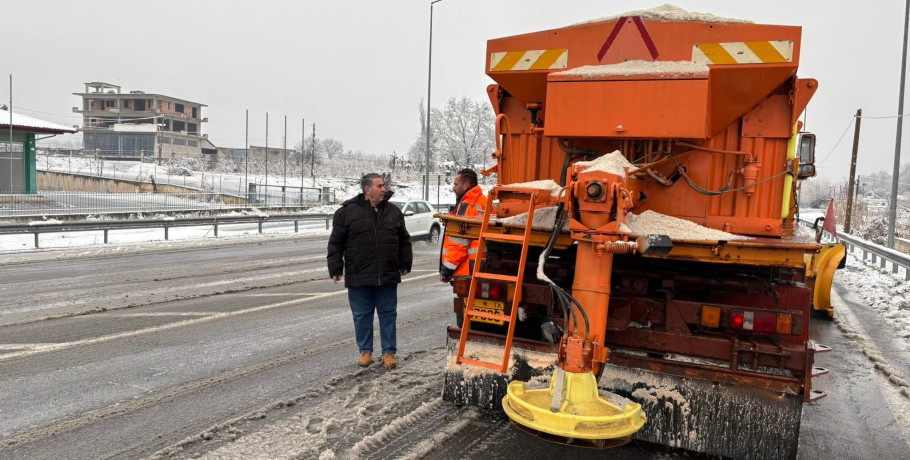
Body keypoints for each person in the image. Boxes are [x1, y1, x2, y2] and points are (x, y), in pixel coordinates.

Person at [327, 173, 412, 369]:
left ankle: (389, 353)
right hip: (359, 273)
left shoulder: (393, 211)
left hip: (387, 273)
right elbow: (336, 243)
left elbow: (404, 240)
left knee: (388, 314)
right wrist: (335, 267)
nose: (384, 189)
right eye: (380, 186)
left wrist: (405, 262)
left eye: (384, 186)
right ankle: (365, 351)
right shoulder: (346, 213)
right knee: (362, 315)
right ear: (368, 190)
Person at [440, 168, 487, 282]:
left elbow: (459, 244)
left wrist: (446, 270)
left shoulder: (468, 205)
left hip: (467, 271)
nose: (453, 188)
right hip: (482, 266)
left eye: (456, 184)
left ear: (466, 185)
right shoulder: (484, 201)